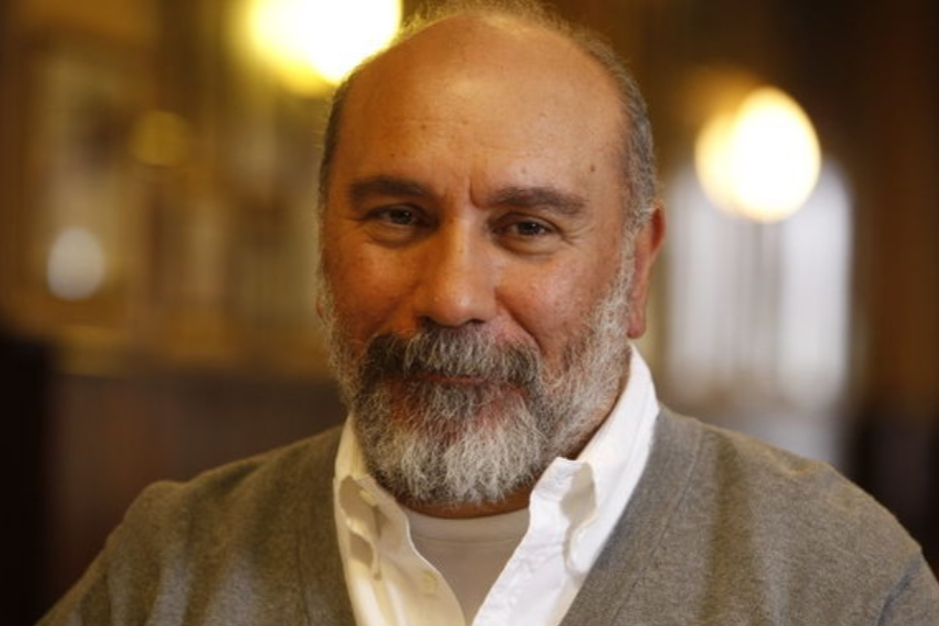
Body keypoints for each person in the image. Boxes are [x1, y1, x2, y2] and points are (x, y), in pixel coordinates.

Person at [39, 1, 939, 624]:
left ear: (635, 268)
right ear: (321, 248)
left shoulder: (834, 574)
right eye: (398, 217)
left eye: (526, 228)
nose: (452, 297)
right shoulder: (172, 565)